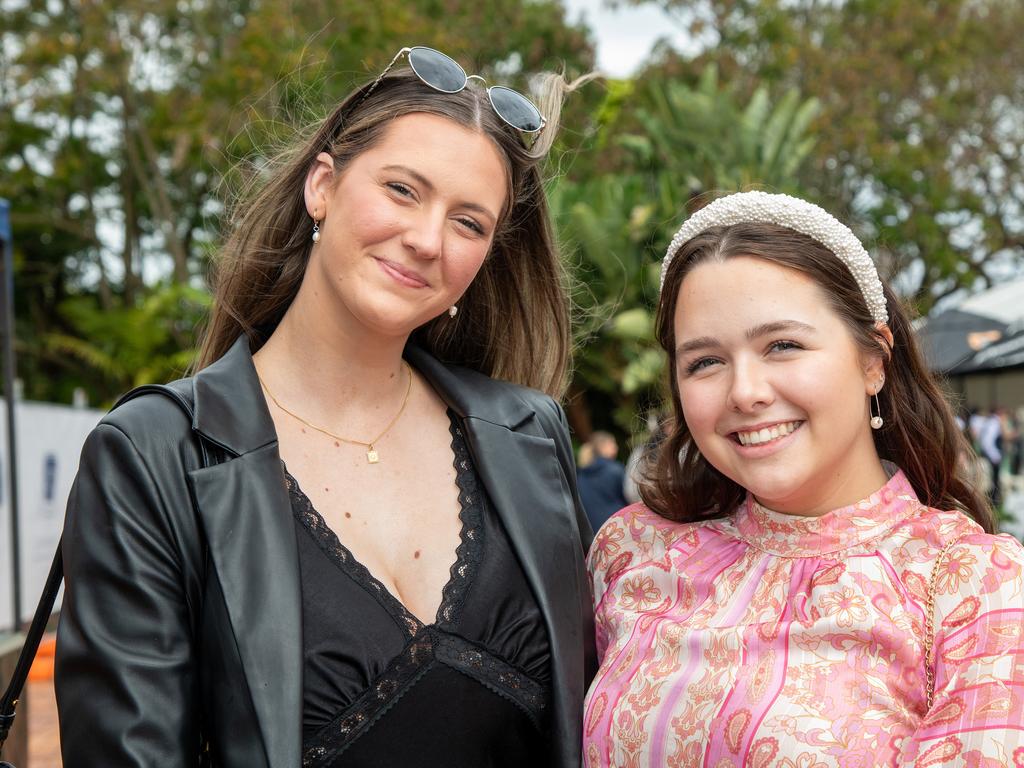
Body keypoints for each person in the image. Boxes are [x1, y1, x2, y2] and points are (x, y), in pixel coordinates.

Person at [55, 46, 595, 768]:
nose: (427, 239)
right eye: (403, 190)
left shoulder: (529, 436)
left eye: (470, 223)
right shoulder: (157, 454)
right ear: (323, 186)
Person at [583, 191, 1024, 766]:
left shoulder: (973, 585)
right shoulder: (633, 551)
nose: (745, 391)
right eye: (705, 362)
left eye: (782, 345)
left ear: (874, 361)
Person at [577, 431, 629, 532]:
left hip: (591, 530)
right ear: (603, 446)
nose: (616, 447)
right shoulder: (615, 470)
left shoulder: (580, 475)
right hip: (616, 526)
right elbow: (629, 497)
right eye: (612, 444)